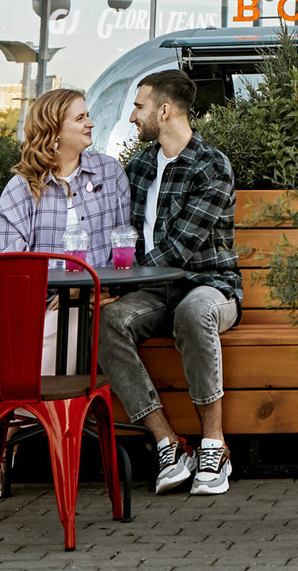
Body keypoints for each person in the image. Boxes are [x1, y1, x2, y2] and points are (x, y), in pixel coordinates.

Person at [0, 88, 128, 528]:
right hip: (19, 307)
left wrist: (103, 286)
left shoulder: (110, 174)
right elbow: (8, 268)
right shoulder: (21, 189)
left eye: (88, 116)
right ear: (54, 131)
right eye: (81, 118)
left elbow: (121, 243)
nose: (90, 124)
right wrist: (42, 296)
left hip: (78, 306)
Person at [98, 69, 241, 499]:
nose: (132, 118)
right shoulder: (140, 165)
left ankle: (213, 446)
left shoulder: (211, 165)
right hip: (155, 292)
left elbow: (180, 249)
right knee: (107, 320)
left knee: (193, 312)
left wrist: (122, 283)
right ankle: (166, 443)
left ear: (163, 110)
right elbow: (122, 233)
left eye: (138, 107)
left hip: (211, 286)